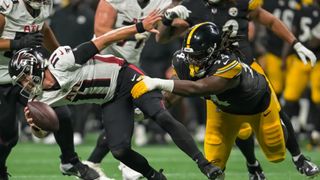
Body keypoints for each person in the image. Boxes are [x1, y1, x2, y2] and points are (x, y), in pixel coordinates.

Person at [9, 11, 223, 180]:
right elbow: (41, 133)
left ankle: (205, 164)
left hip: (125, 76)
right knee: (119, 150)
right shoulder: (38, 99)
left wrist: (139, 27)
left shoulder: (61, 62)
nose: (24, 83)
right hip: (110, 98)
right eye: (21, 80)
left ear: (37, 66)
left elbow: (103, 40)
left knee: (160, 115)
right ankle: (155, 176)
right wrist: (37, 126)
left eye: (25, 77)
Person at [155, 0, 320, 178]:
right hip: (209, 72)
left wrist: (295, 43)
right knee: (233, 128)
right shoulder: (193, 6)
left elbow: (270, 20)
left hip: (245, 66)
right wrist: (167, 19)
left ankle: (299, 158)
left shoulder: (241, 3)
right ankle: (253, 165)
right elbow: (161, 38)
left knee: (274, 111)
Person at [131, 21, 289, 177]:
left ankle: (280, 128)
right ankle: (252, 164)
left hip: (257, 105)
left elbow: (200, 88)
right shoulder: (184, 60)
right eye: (189, 54)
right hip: (223, 108)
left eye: (196, 55)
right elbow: (174, 94)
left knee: (277, 154)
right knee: (214, 163)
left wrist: (158, 82)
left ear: (212, 50)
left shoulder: (229, 63)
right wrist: (151, 110)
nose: (191, 59)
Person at [0, 0, 99, 179]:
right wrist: (16, 44)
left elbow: (43, 29)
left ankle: (70, 161)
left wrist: (61, 55)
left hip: (29, 76)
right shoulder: (7, 7)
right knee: (8, 135)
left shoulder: (45, 6)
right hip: (2, 78)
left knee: (61, 113)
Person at [83, 0, 182, 179]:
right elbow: (100, 31)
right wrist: (134, 32)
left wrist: (181, 21)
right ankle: (116, 163)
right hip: (104, 62)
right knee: (136, 107)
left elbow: (163, 34)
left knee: (131, 112)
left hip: (129, 65)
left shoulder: (161, 2)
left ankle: (93, 163)